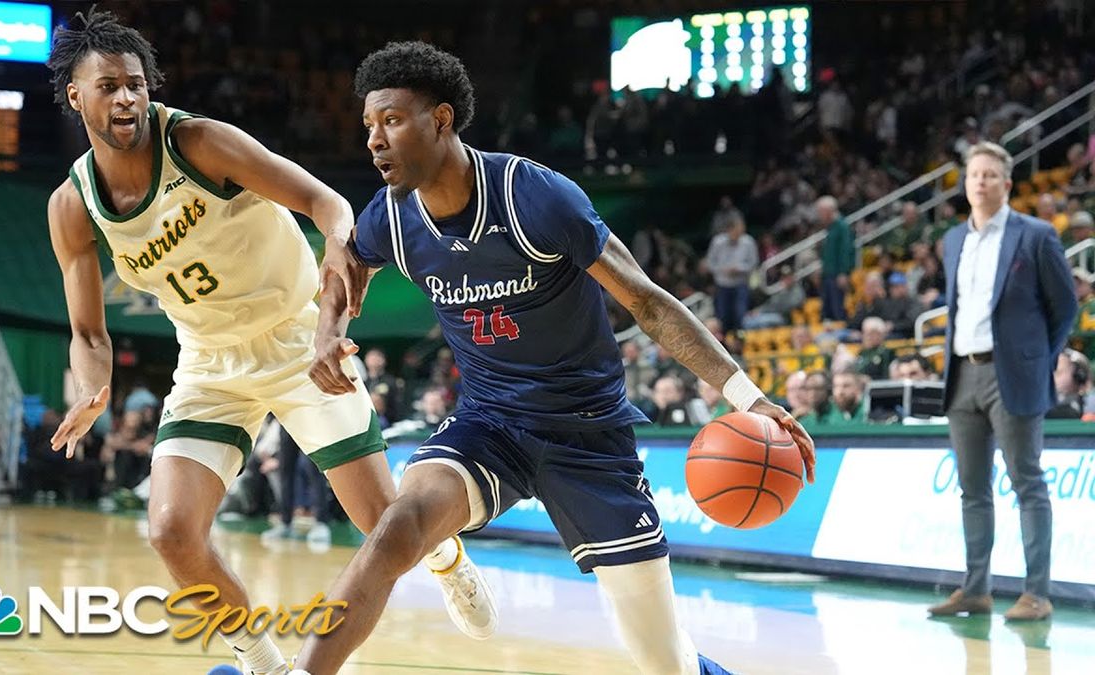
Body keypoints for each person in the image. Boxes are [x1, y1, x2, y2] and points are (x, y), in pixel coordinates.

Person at [298, 41, 815, 675]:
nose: (375, 140)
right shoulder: (395, 218)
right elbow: (345, 260)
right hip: (490, 425)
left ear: (440, 120)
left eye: (392, 121)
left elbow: (648, 303)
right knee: (395, 527)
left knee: (663, 663)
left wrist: (749, 397)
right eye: (369, 126)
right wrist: (328, 328)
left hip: (587, 435)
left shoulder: (533, 196)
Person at [41, 13, 493, 675]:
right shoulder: (73, 205)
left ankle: (449, 557)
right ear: (75, 96)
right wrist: (92, 384)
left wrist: (340, 263)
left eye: (135, 83)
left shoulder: (196, 142)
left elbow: (323, 200)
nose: (127, 97)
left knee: (383, 526)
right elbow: (88, 332)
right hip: (208, 361)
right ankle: (263, 662)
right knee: (170, 529)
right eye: (108, 86)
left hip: (293, 338)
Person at [929, 142, 1077, 622]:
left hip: (1011, 374)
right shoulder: (953, 240)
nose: (980, 182)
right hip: (961, 374)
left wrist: (1037, 359)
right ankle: (976, 589)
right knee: (972, 489)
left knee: (1027, 483)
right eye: (974, 174)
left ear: (1007, 184)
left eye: (990, 175)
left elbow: (1066, 307)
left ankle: (1037, 592)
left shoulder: (1035, 236)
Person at [706, 213, 758, 332]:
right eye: (737, 230)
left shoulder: (748, 242)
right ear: (729, 229)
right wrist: (722, 270)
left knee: (741, 315)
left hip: (741, 283)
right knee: (723, 316)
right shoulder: (717, 242)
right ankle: (724, 343)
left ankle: (740, 341)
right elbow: (710, 262)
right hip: (722, 284)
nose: (740, 233)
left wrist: (740, 269)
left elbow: (754, 263)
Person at [818, 195, 854, 322]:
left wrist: (844, 272)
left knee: (838, 309)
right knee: (826, 311)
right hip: (828, 274)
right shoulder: (831, 227)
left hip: (837, 275)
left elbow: (846, 251)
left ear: (828, 211)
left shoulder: (842, 226)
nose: (819, 215)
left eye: (820, 211)